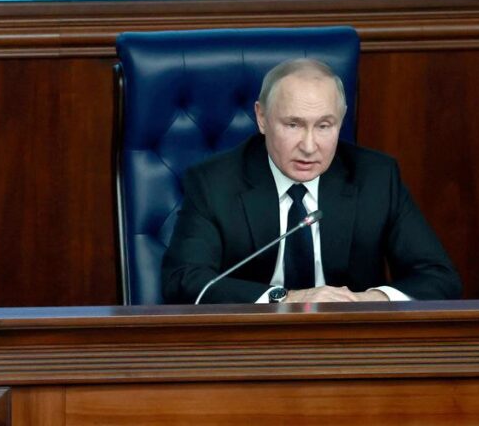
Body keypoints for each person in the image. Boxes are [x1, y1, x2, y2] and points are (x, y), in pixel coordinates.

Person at [161, 58, 461, 304]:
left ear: (341, 120)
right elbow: (183, 281)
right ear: (262, 117)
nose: (308, 146)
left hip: (350, 342)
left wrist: (366, 300)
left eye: (324, 126)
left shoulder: (376, 177)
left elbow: (439, 277)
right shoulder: (214, 183)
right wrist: (287, 298)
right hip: (251, 342)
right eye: (293, 124)